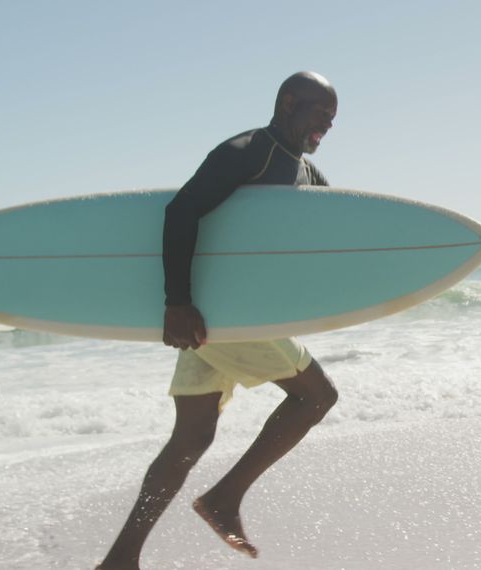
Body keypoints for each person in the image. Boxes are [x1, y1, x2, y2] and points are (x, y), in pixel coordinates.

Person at [97, 71, 341, 570]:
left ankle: (120, 560)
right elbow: (182, 212)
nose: (326, 127)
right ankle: (224, 498)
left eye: (332, 120)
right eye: (320, 114)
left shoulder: (307, 172)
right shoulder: (249, 150)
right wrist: (177, 302)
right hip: (223, 317)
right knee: (317, 397)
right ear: (288, 101)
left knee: (190, 438)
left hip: (218, 317)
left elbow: (325, 237)